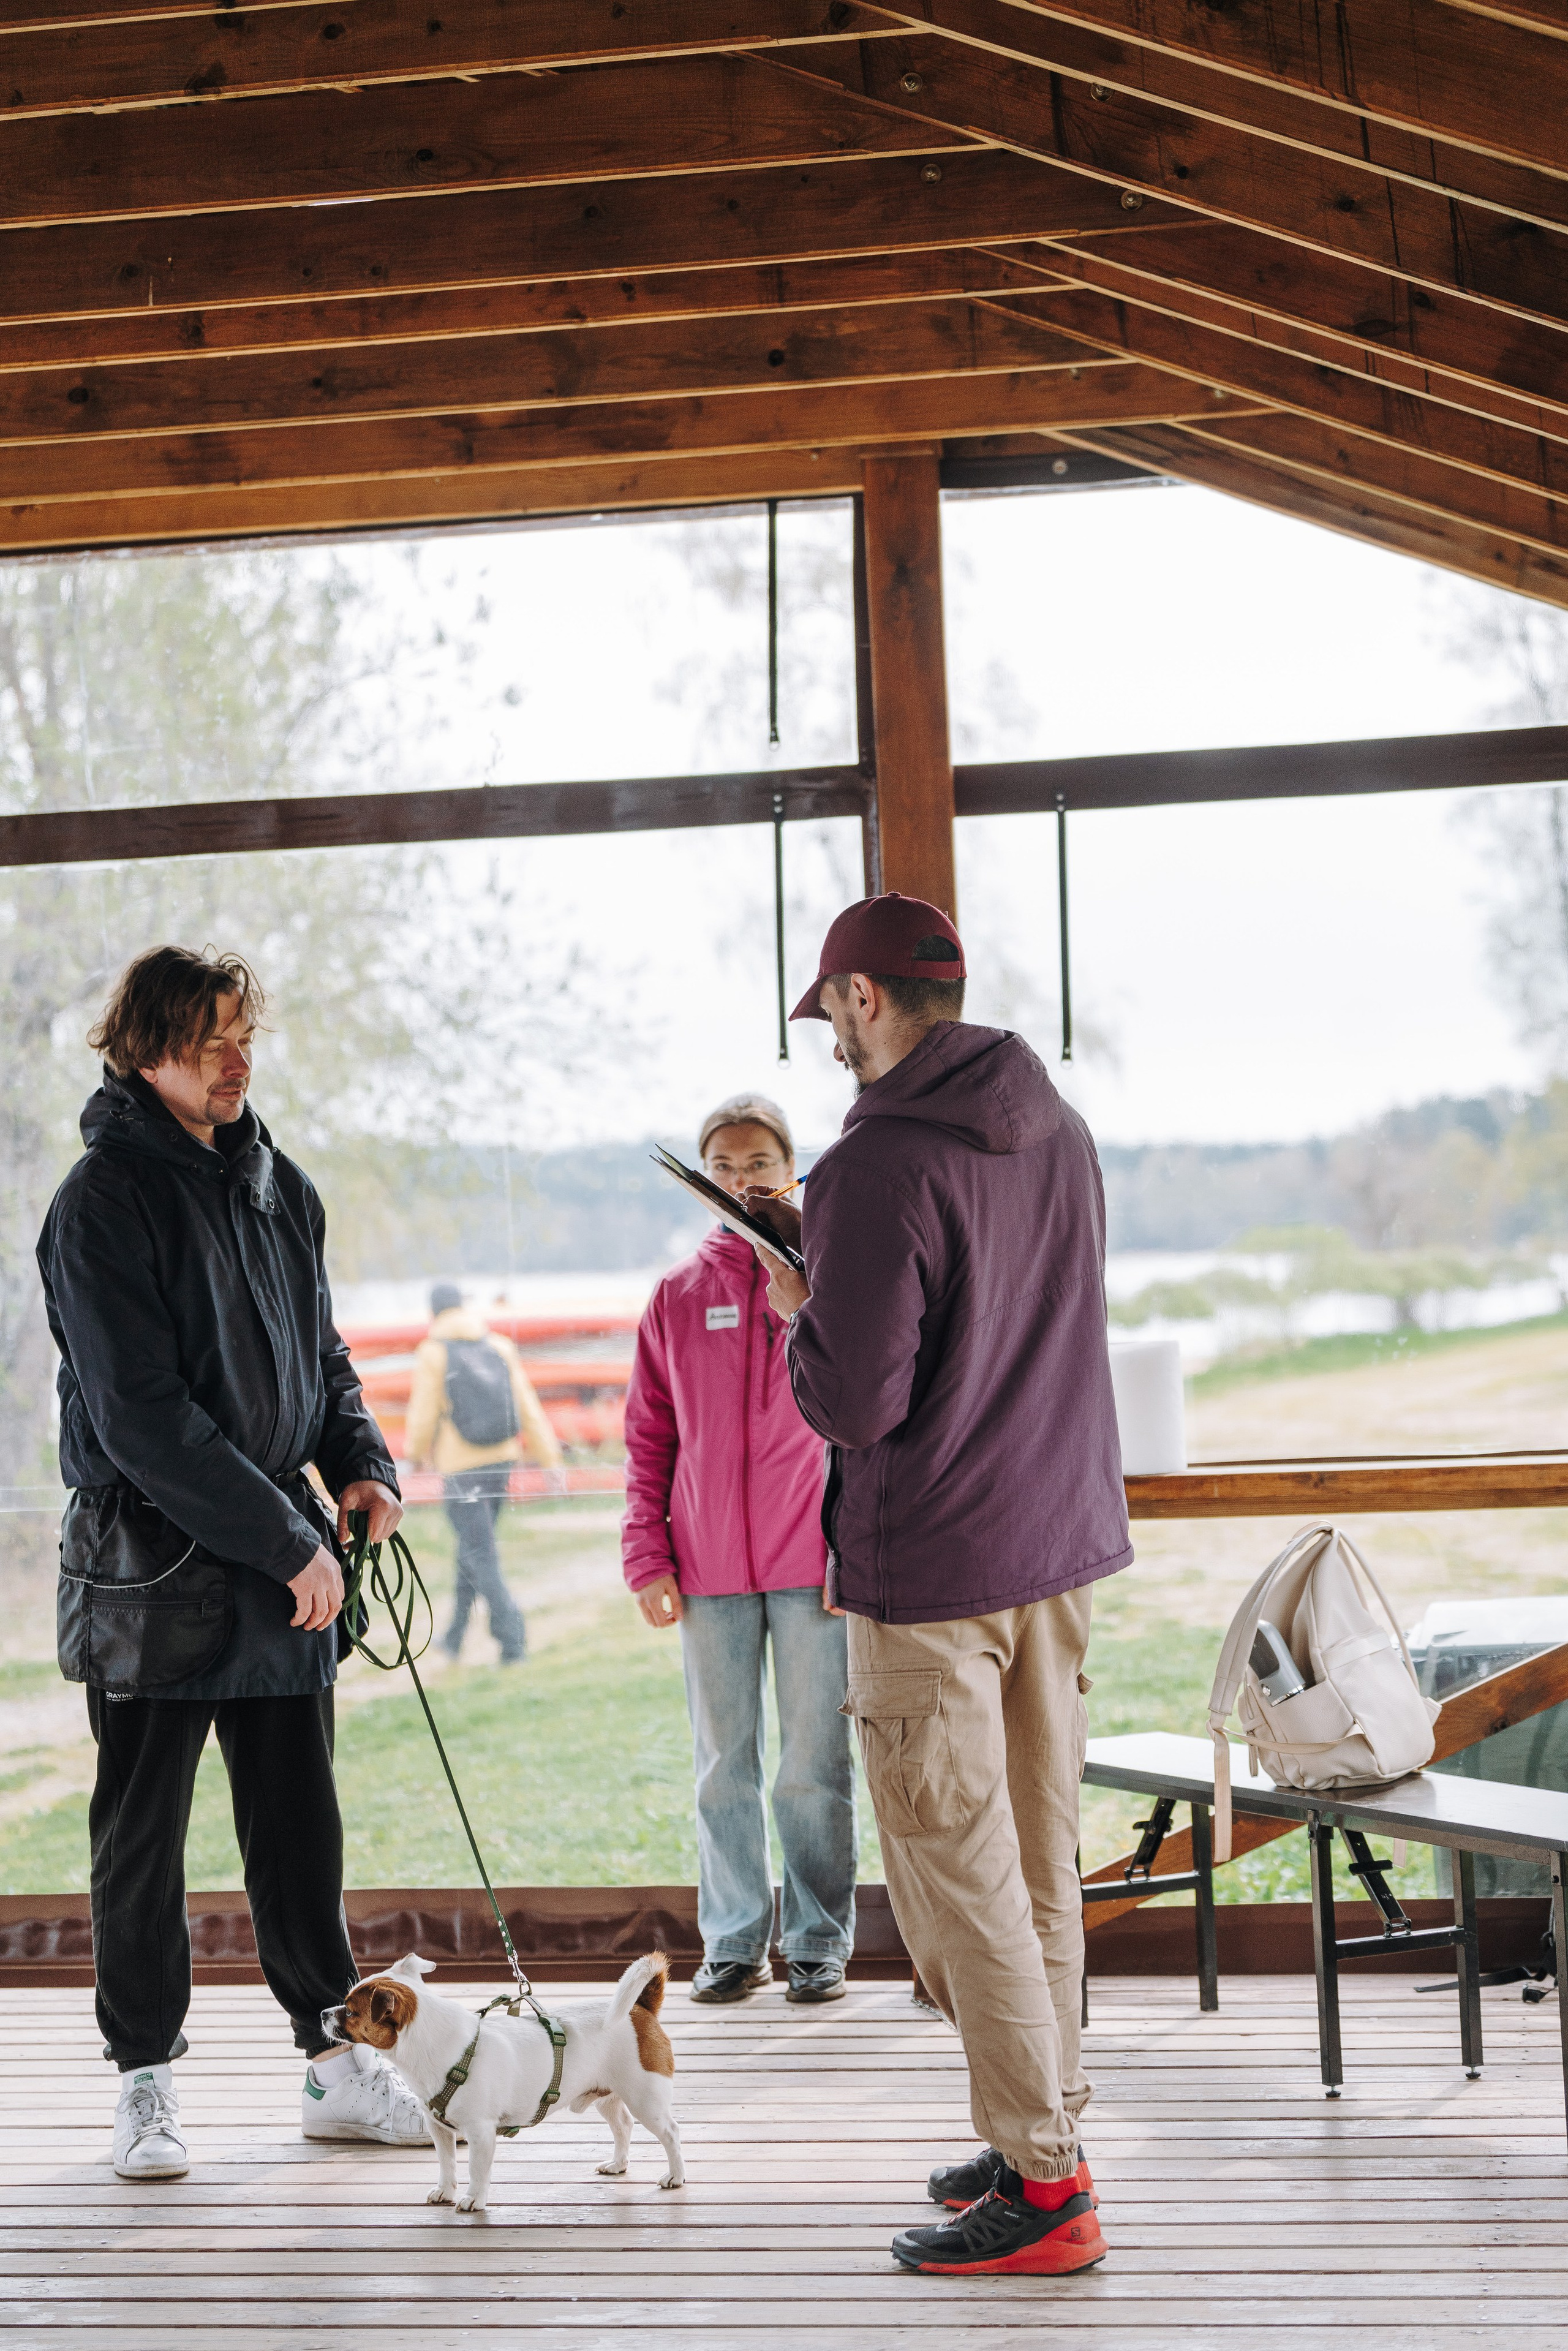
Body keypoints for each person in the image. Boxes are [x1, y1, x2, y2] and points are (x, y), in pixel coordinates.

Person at [748, 893, 1131, 2280]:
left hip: (935, 1574)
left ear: (859, 998)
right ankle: (1035, 2126)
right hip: (1057, 1549)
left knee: (956, 1883)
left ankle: (1045, 2186)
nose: (828, 1042)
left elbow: (854, 1403)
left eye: (828, 1013)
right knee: (1035, 1868)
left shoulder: (874, 1167)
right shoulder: (1061, 1134)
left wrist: (799, 1305)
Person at [37, 946, 429, 2184]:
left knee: (299, 1830)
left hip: (281, 1571)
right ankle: (143, 2084)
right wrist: (290, 1536)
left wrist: (357, 1459)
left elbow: (319, 1359)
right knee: (140, 1839)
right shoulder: (98, 1202)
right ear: (140, 1045)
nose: (233, 1056)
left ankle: (332, 2064)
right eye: (208, 1036)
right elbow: (142, 1418)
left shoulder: (279, 1186)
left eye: (242, 1032)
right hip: (151, 1574)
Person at [622, 1094, 856, 2006]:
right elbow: (648, 1437)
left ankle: (818, 1942)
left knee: (814, 1765)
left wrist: (853, 1555)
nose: (742, 1177)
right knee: (724, 1765)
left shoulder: (829, 1286)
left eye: (760, 1160)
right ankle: (731, 1940)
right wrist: (648, 1555)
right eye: (723, 1163)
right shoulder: (677, 1298)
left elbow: (859, 1432)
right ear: (701, 1177)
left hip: (814, 1570)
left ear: (791, 1171)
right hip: (708, 1572)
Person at [405, 1283, 564, 1664]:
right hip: (500, 1462)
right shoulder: (498, 1346)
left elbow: (424, 1412)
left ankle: (513, 1641)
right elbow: (527, 1406)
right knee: (473, 1549)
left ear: (434, 1314)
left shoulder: (433, 1353)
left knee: (480, 1552)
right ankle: (454, 1636)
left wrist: (413, 1456)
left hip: (461, 1467)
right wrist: (551, 1460)